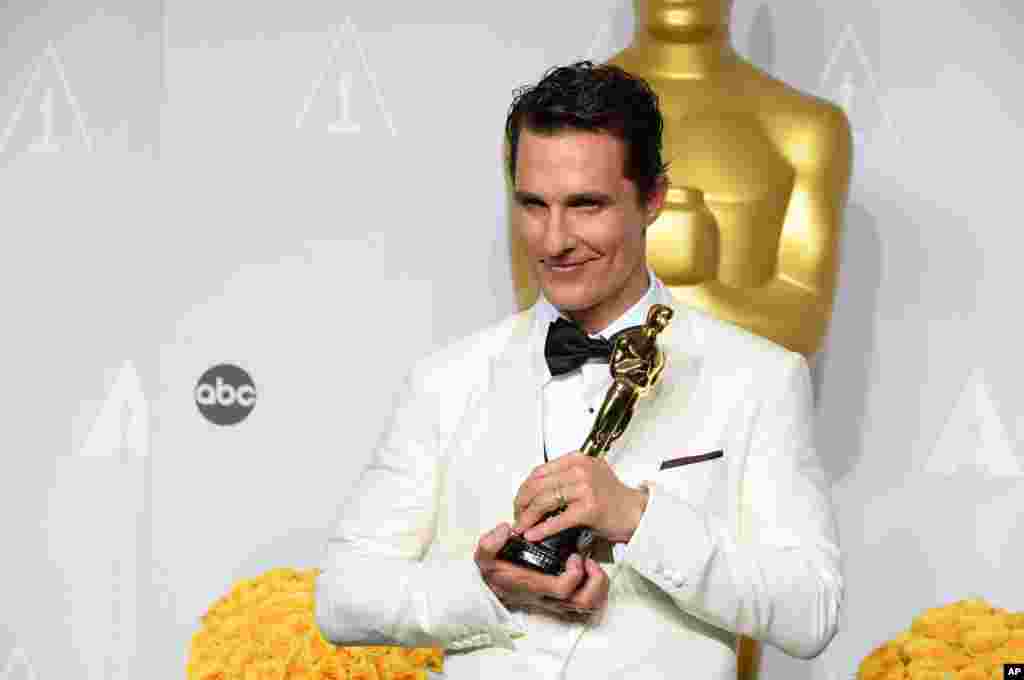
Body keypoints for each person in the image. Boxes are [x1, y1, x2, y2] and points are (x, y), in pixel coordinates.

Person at [315, 61, 842, 680]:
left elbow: (812, 609)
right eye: (533, 205)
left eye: (586, 205)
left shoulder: (758, 377)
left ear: (653, 198)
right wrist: (486, 591)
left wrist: (638, 520)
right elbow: (343, 596)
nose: (554, 240)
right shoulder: (444, 380)